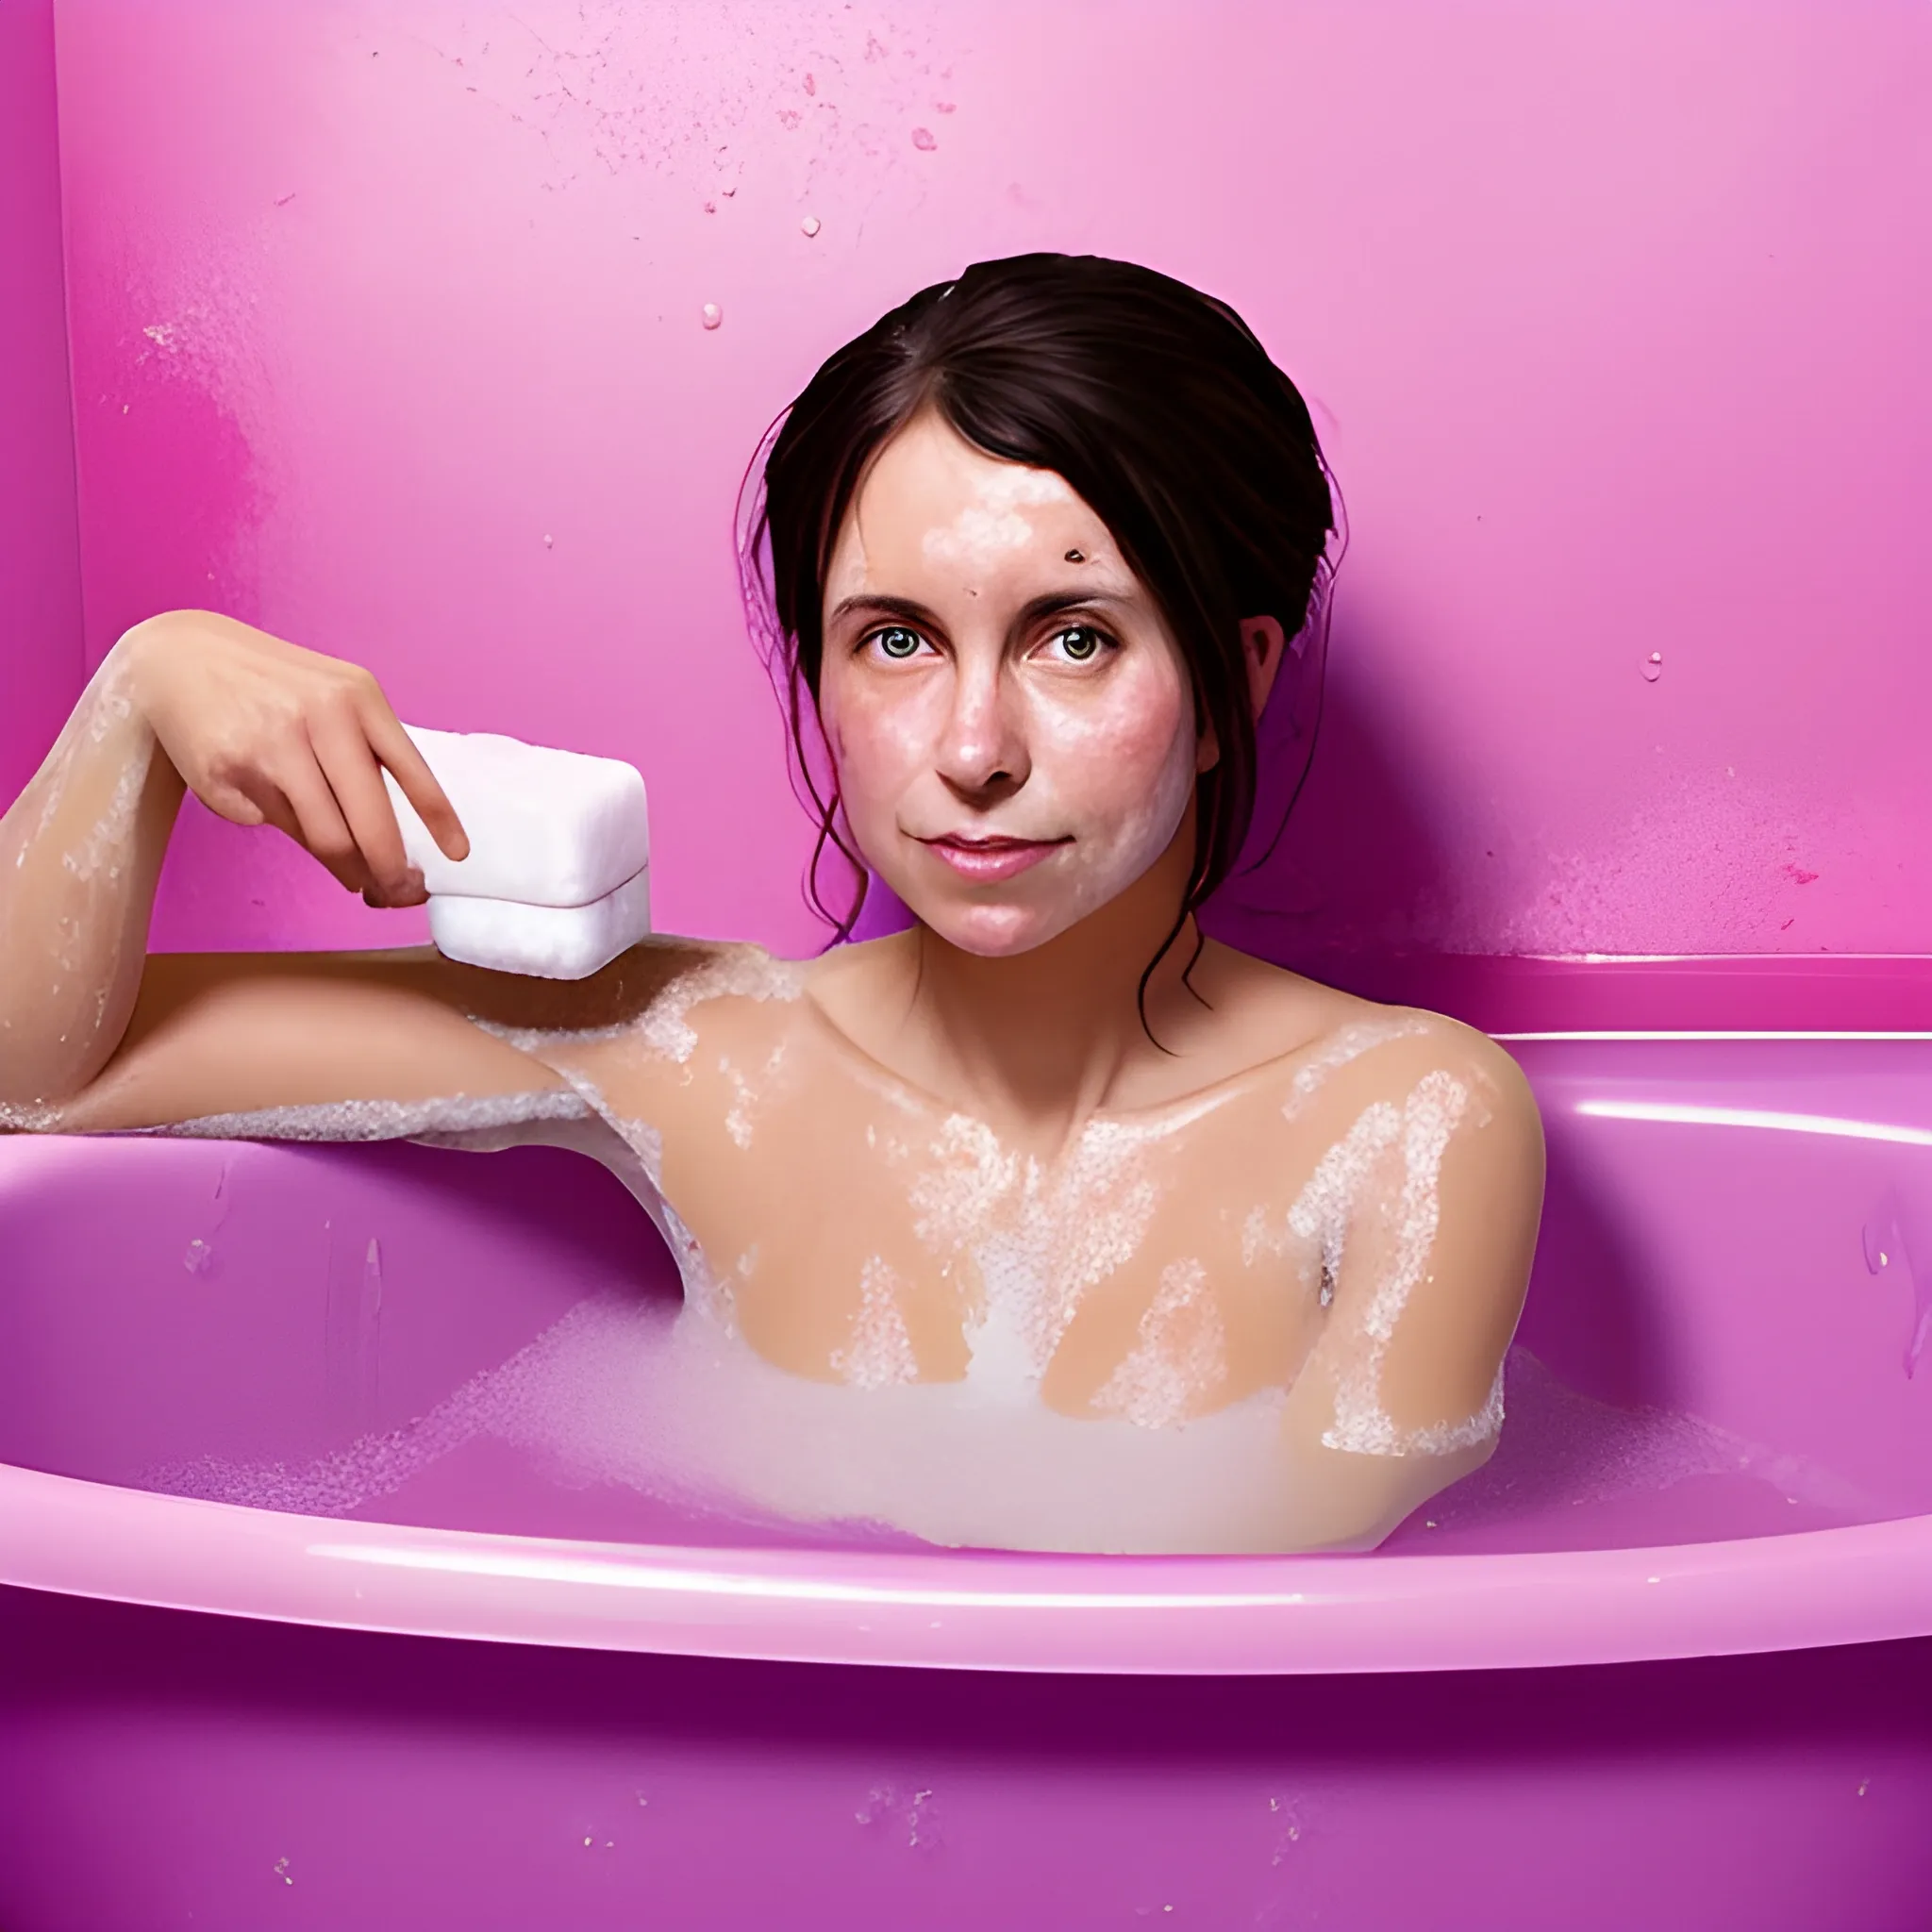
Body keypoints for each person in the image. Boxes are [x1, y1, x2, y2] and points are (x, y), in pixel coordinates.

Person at [0, 254, 1543, 1553]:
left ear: (1233, 684)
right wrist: (137, 700)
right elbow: (38, 1077)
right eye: (895, 640)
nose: (975, 750)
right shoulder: (694, 1052)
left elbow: (1302, 1672)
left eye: (1075, 638)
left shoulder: (1407, 1121)